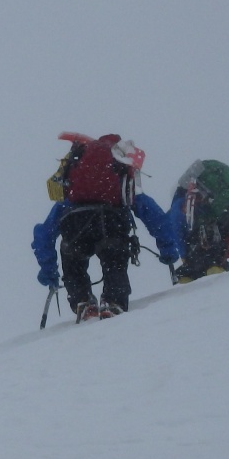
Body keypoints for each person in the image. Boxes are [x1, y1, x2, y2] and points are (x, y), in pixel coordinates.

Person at [32, 132, 180, 321]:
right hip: (111, 224)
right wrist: (167, 247)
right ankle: (113, 301)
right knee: (114, 262)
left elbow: (44, 233)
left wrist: (48, 269)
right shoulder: (120, 177)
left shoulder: (74, 188)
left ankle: (82, 301)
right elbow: (153, 215)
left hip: (75, 226)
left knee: (73, 261)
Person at [166, 159, 229, 282]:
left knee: (193, 269)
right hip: (221, 236)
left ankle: (194, 287)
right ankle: (215, 276)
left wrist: (183, 256)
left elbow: (178, 231)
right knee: (214, 260)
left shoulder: (179, 204)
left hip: (206, 241)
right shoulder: (221, 209)